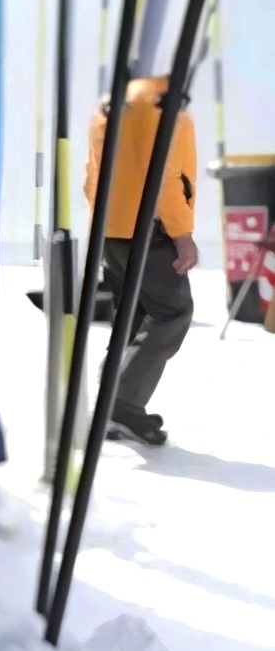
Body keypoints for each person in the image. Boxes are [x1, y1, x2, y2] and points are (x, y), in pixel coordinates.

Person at [84, 75, 201, 446]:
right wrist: (182, 234)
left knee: (134, 315)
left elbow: (91, 177)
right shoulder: (170, 113)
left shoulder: (108, 109)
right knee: (172, 312)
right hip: (150, 232)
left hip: (110, 231)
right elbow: (167, 178)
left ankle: (110, 401)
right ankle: (122, 405)